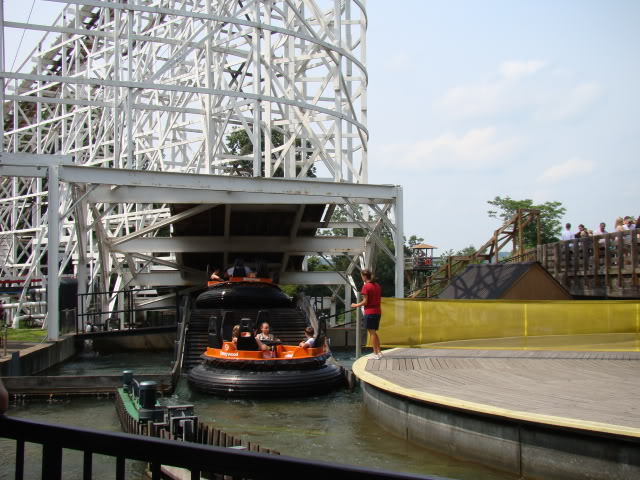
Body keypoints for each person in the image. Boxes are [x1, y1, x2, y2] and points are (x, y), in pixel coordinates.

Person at [351, 269, 383, 360]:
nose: (361, 278)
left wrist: (356, 305)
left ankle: (375, 353)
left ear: (364, 276)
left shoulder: (366, 287)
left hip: (370, 312)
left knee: (372, 333)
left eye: (362, 276)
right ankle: (379, 351)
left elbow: (365, 302)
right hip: (378, 311)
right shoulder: (377, 285)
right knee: (374, 332)